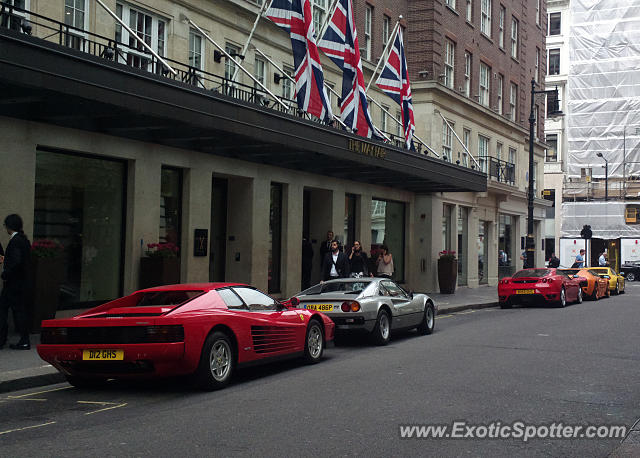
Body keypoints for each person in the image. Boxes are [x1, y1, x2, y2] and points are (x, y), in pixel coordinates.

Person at [0, 214, 32, 350]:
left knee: (6, 309)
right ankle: (22, 339)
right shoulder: (23, 240)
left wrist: (5, 273)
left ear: (8, 226)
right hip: (20, 283)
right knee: (17, 311)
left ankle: (5, 338)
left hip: (13, 284)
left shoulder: (16, 241)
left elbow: (16, 261)